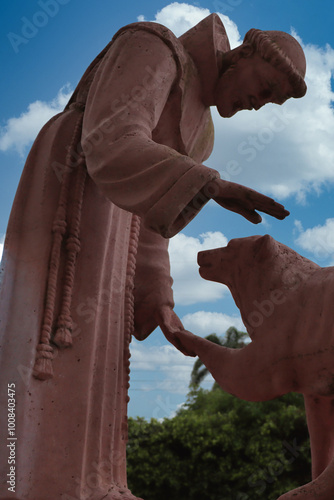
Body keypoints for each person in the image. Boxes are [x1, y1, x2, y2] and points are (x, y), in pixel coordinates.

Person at [0, 13, 306, 500]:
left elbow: (153, 221)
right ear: (242, 55)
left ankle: (90, 482)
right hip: (73, 192)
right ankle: (26, 478)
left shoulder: (201, 132)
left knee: (100, 347)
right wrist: (212, 184)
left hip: (118, 224)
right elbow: (111, 139)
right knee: (47, 343)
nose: (258, 105)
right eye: (265, 87)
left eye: (270, 102)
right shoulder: (156, 48)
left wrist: (158, 296)